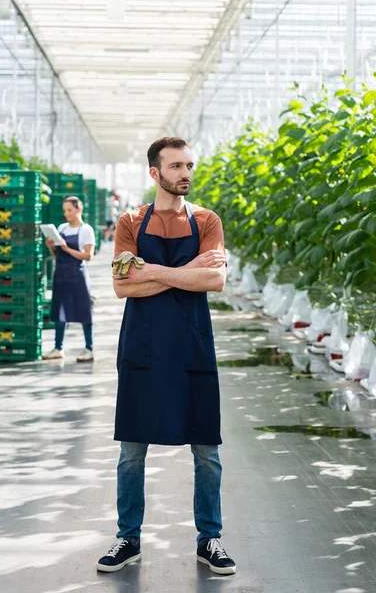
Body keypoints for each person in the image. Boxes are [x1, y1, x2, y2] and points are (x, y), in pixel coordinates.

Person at [96, 137, 236, 575]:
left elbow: (215, 281)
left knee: (206, 450)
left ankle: (209, 539)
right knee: (132, 450)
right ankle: (128, 538)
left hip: (192, 344)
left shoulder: (208, 220)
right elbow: (122, 286)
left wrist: (151, 271)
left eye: (190, 165)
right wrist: (186, 273)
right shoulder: (130, 222)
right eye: (176, 166)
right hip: (143, 345)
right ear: (155, 174)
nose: (186, 173)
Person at [43, 196, 95, 363]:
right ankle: (58, 348)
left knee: (84, 311)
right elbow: (57, 255)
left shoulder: (86, 230)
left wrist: (66, 247)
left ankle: (89, 349)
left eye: (69, 210)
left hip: (77, 275)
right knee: (59, 311)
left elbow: (88, 256)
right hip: (61, 274)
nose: (66, 213)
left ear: (79, 209)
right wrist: (52, 247)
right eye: (64, 210)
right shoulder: (62, 228)